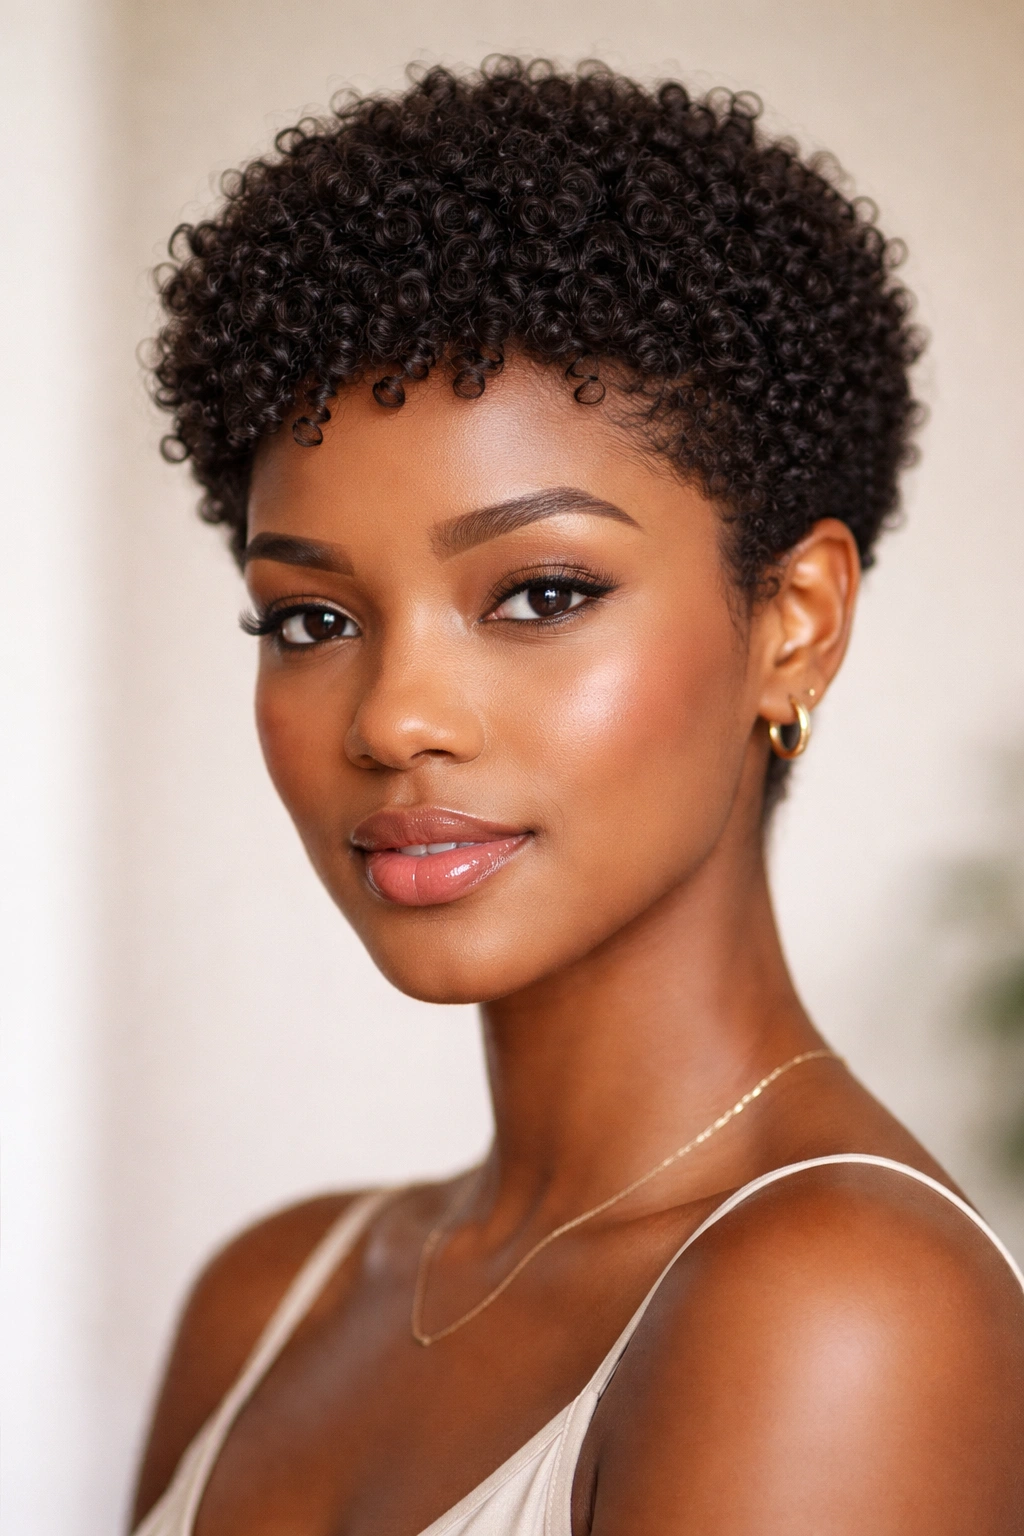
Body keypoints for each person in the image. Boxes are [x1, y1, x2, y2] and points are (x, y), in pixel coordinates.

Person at [131, 58, 1024, 1535]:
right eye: (312, 618)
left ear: (793, 622)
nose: (396, 718)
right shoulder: (270, 1300)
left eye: (541, 593)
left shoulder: (843, 1311)